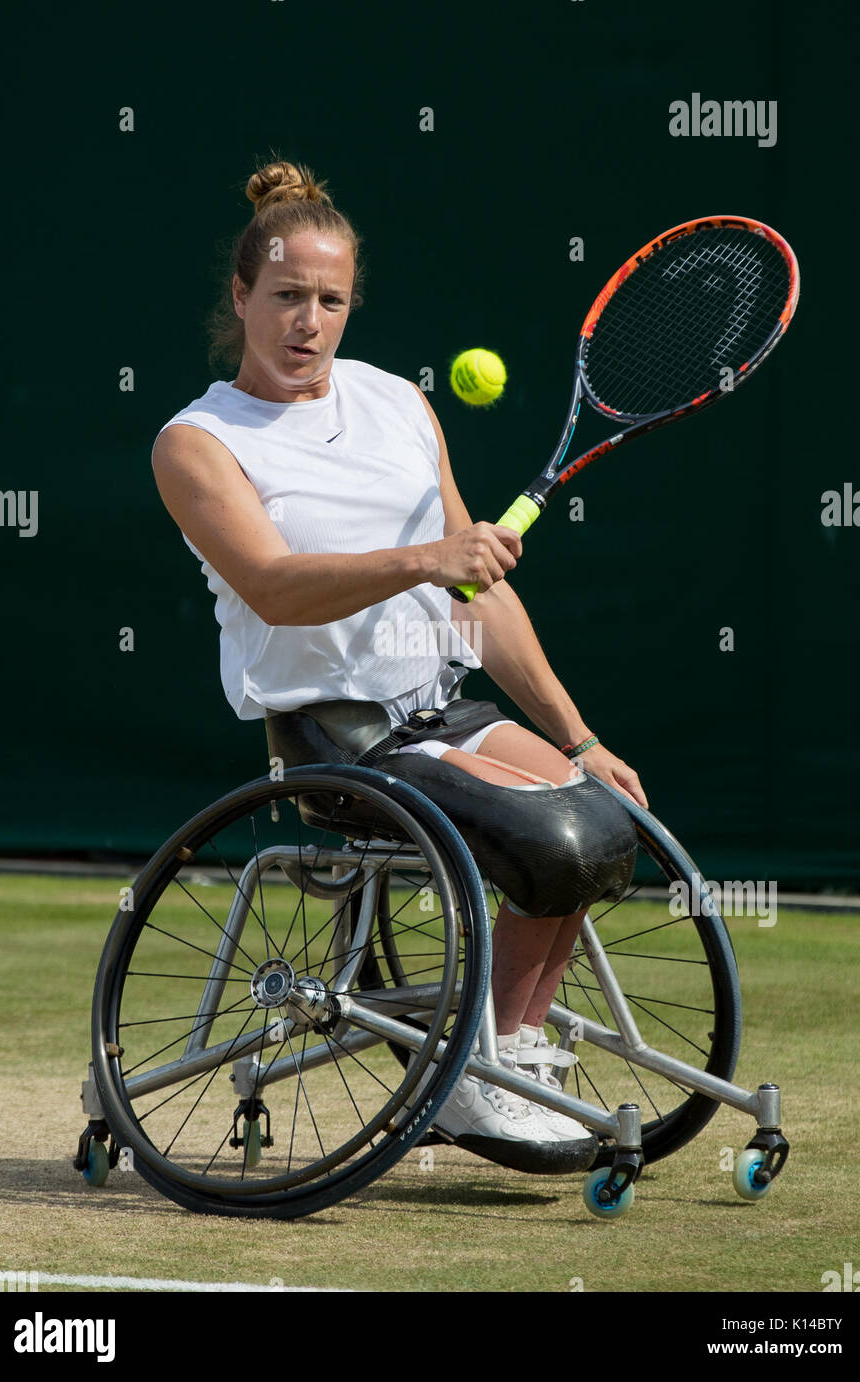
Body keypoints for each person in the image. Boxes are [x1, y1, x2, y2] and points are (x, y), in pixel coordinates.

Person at [151, 159, 648, 1157]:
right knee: (552, 839)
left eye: (330, 300)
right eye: (286, 296)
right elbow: (274, 585)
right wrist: (426, 555)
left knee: (605, 815)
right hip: (334, 734)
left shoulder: (397, 405)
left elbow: (476, 597)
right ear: (240, 296)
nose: (308, 321)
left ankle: (509, 1040)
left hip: (436, 707)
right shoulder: (197, 442)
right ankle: (476, 1064)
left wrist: (578, 734)